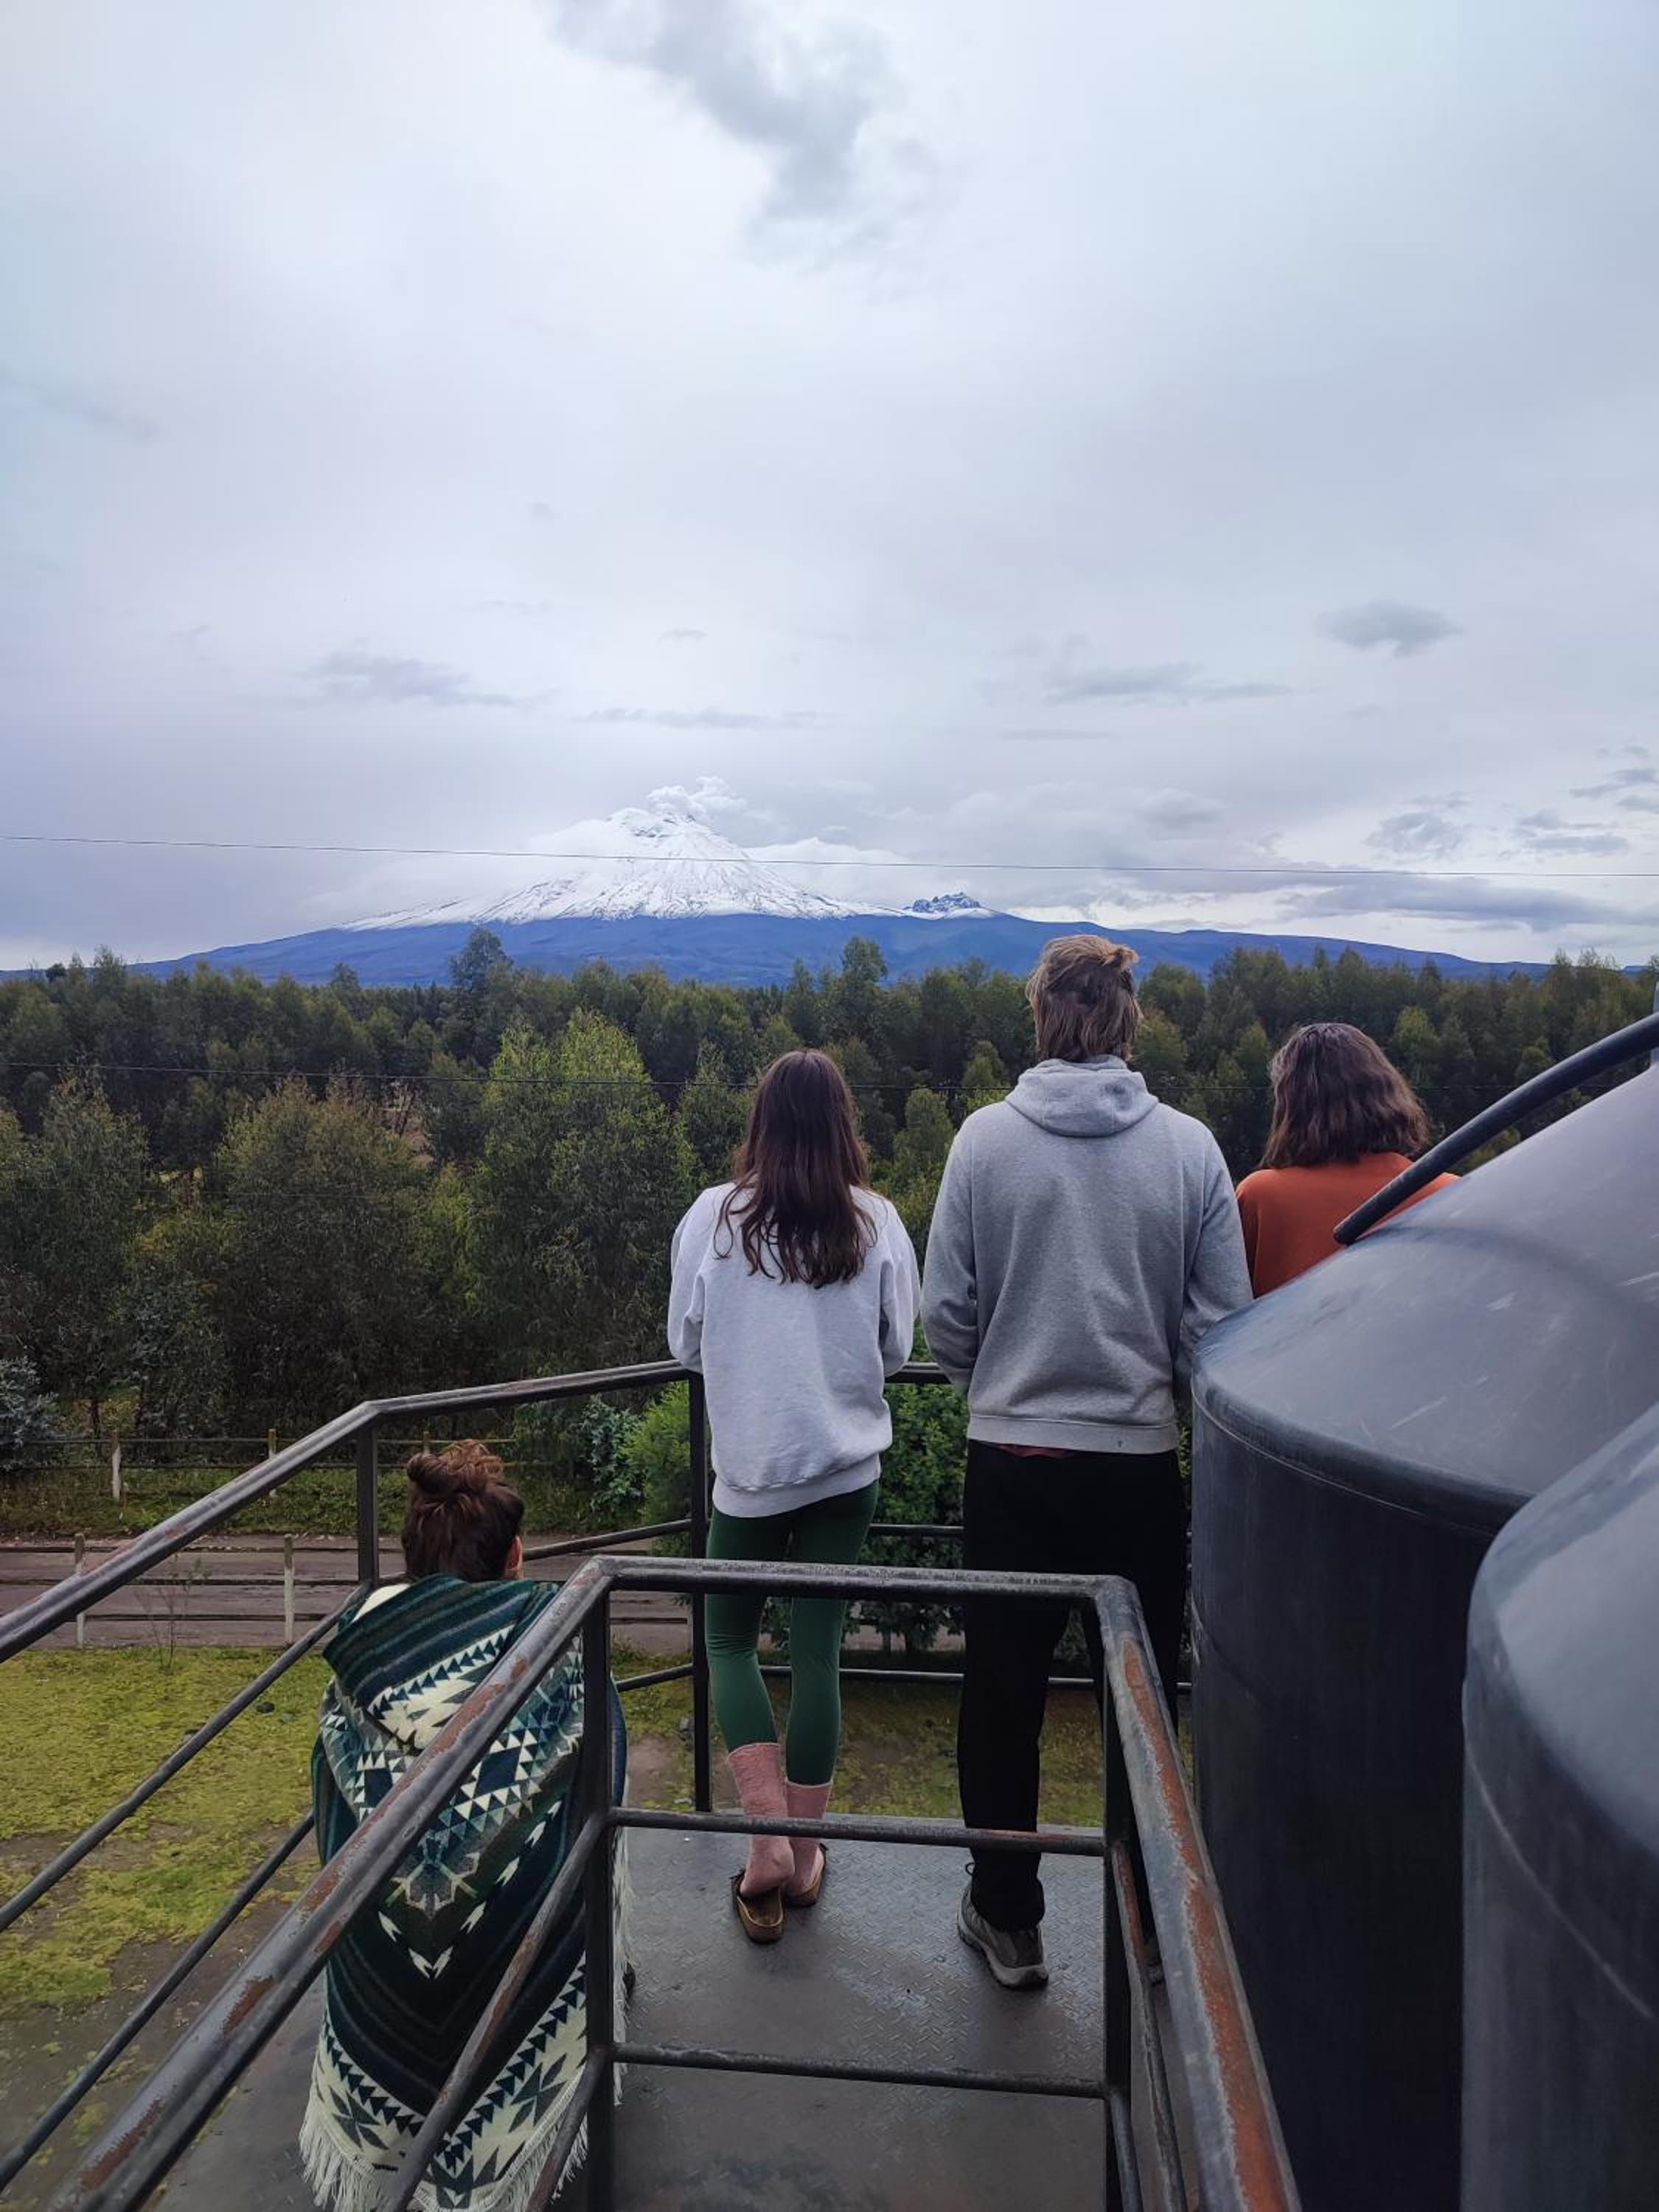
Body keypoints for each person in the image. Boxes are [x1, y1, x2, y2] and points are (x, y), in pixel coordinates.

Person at [922, 936, 1251, 1991]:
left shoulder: (982, 1143)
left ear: (1042, 1018)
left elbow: (945, 1316)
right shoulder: (1190, 1150)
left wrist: (1003, 1378)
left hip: (1010, 1462)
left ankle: (1008, 1920)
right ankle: (1150, 1928)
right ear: (1126, 1021)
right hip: (1137, 1468)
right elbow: (1219, 1329)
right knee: (1141, 1705)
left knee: (1000, 1700)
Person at [302, 1442, 627, 2211]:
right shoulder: (559, 1645)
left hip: (379, 1976)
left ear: (411, 1560)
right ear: (516, 1555)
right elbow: (605, 1795)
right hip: (521, 1963)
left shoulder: (359, 1662)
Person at [668, 1049, 921, 1944]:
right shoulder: (878, 1221)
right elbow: (897, 1349)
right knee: (819, 1657)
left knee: (728, 1642)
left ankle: (767, 1845)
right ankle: (805, 1857)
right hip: (846, 1477)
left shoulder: (715, 1218)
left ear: (761, 1124)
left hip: (750, 1476)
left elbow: (685, 1343)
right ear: (845, 1124)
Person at [1235, 1021, 1458, 1295]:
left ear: (1290, 1106)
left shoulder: (1261, 1197)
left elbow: (1224, 1302)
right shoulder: (1449, 1192)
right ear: (1389, 1092)